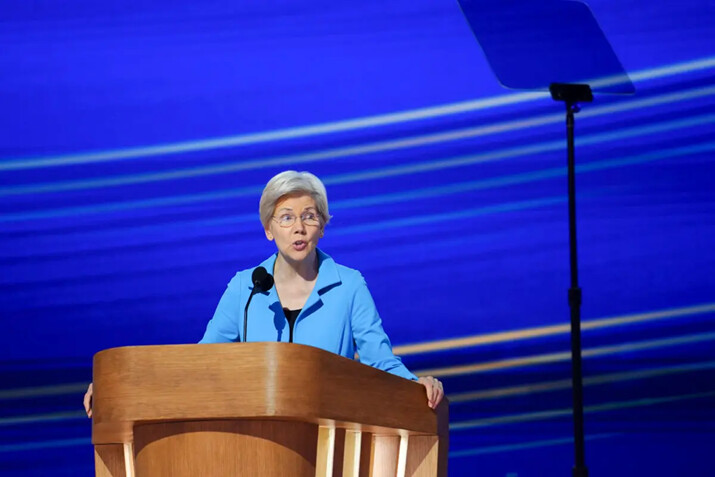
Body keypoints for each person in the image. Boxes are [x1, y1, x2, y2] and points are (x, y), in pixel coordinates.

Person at [84, 171, 443, 417]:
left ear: (323, 226)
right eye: (286, 217)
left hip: (327, 436)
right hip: (253, 439)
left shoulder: (348, 286)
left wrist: (416, 386)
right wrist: (123, 388)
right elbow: (199, 362)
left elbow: (379, 359)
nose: (299, 228)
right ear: (269, 229)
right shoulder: (246, 287)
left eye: (309, 216)